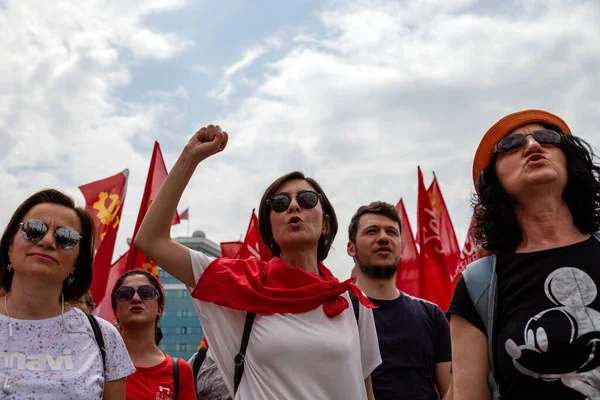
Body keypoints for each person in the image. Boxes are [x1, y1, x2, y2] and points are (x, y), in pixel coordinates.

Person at [134, 124, 381, 400]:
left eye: (307, 199)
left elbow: (366, 391)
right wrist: (190, 156)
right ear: (270, 229)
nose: (293, 206)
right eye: (279, 203)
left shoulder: (353, 302)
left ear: (325, 224)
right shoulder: (241, 285)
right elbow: (151, 240)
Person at [447, 109, 600, 399]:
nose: (533, 146)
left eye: (546, 137)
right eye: (511, 145)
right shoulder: (477, 286)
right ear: (493, 180)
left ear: (570, 159)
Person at [0, 189, 135, 399]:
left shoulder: (104, 337)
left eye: (66, 237)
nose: (47, 241)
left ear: (76, 263)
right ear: (10, 247)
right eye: (34, 229)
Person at [348, 201, 452, 400]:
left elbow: (450, 389)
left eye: (392, 232)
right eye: (372, 231)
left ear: (401, 248)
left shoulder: (431, 314)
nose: (383, 238)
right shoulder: (339, 311)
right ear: (351, 248)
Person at [111, 269, 196, 400]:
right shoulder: (99, 362)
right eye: (125, 294)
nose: (135, 298)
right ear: (115, 311)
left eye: (146, 293)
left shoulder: (179, 370)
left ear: (160, 309)